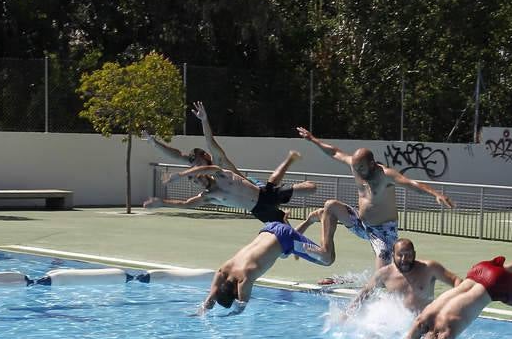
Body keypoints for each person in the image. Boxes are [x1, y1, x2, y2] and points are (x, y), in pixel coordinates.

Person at [296, 127, 454, 268]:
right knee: (331, 205)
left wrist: (436, 194)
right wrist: (312, 139)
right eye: (356, 168)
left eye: (362, 168)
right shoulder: (356, 166)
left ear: (372, 164)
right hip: (360, 223)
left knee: (382, 275)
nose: (359, 171)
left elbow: (411, 183)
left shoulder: (386, 175)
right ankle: (326, 252)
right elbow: (335, 152)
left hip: (383, 231)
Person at [197, 211, 335, 315]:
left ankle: (325, 218)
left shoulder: (244, 279)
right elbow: (212, 295)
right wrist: (201, 312)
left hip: (284, 237)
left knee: (327, 259)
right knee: (284, 254)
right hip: (269, 229)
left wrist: (229, 315)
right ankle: (309, 220)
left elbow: (241, 306)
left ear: (235, 290)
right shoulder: (223, 270)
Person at [143, 150, 311, 223]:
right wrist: (161, 202)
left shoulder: (219, 173)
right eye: (195, 181)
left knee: (311, 188)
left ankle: (290, 159)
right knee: (289, 242)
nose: (199, 181)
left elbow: (207, 168)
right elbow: (185, 204)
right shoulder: (207, 197)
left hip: (265, 195)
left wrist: (180, 175)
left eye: (198, 177)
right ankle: (290, 217)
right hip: (260, 211)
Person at [345, 238, 462, 316]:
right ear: (393, 255)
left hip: (424, 324)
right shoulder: (384, 274)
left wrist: (456, 304)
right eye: (400, 255)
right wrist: (347, 314)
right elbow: (365, 292)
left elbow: (456, 281)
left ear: (414, 255)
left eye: (408, 255)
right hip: (398, 327)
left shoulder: (429, 268)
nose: (404, 260)